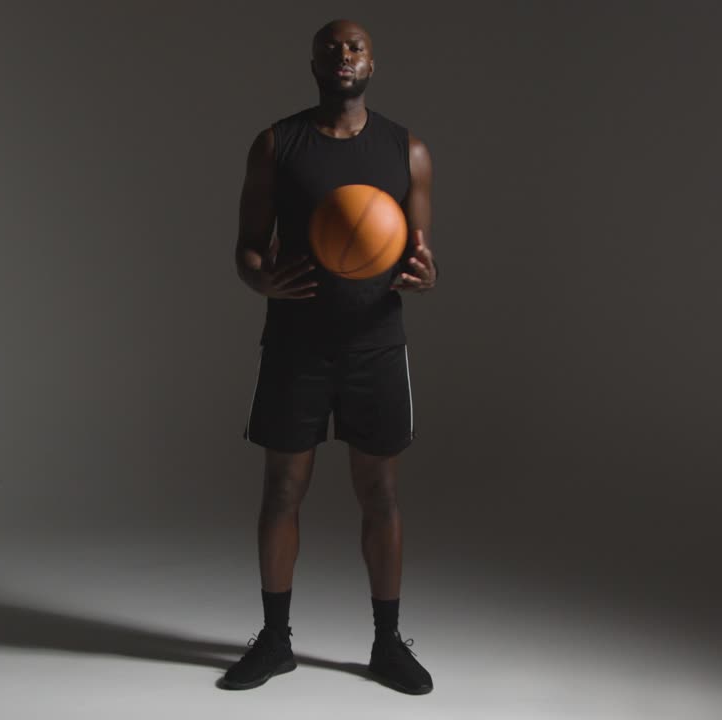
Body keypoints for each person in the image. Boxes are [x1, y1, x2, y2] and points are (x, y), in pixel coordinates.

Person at [222, 18, 439, 695]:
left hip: (375, 343)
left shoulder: (407, 150)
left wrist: (426, 276)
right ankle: (275, 641)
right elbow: (248, 247)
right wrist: (261, 277)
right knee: (282, 488)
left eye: (356, 46)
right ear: (313, 61)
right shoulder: (276, 144)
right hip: (295, 344)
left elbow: (420, 254)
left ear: (373, 60)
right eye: (331, 46)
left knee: (380, 493)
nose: (343, 55)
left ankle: (386, 644)